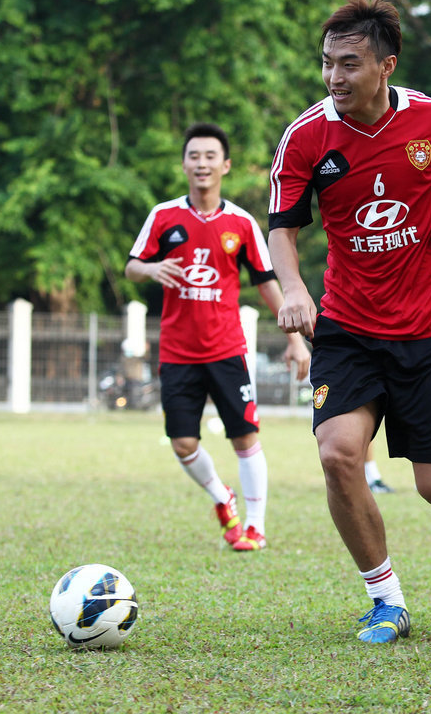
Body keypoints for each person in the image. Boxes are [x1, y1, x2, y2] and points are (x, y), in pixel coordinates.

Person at [267, 0, 431, 643]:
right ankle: (387, 601)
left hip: (428, 331)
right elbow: (282, 230)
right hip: (347, 326)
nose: (333, 78)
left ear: (386, 65)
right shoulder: (306, 135)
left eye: (349, 64)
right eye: (326, 63)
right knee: (338, 454)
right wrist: (294, 289)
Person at [126, 122, 310, 552]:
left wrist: (295, 338)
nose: (202, 163)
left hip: (227, 349)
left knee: (244, 438)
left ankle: (256, 526)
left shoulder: (240, 223)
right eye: (194, 156)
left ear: (224, 165)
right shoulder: (163, 216)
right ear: (185, 164)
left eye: (211, 156)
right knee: (183, 442)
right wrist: (152, 269)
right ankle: (220, 496)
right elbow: (133, 266)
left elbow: (267, 282)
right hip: (177, 352)